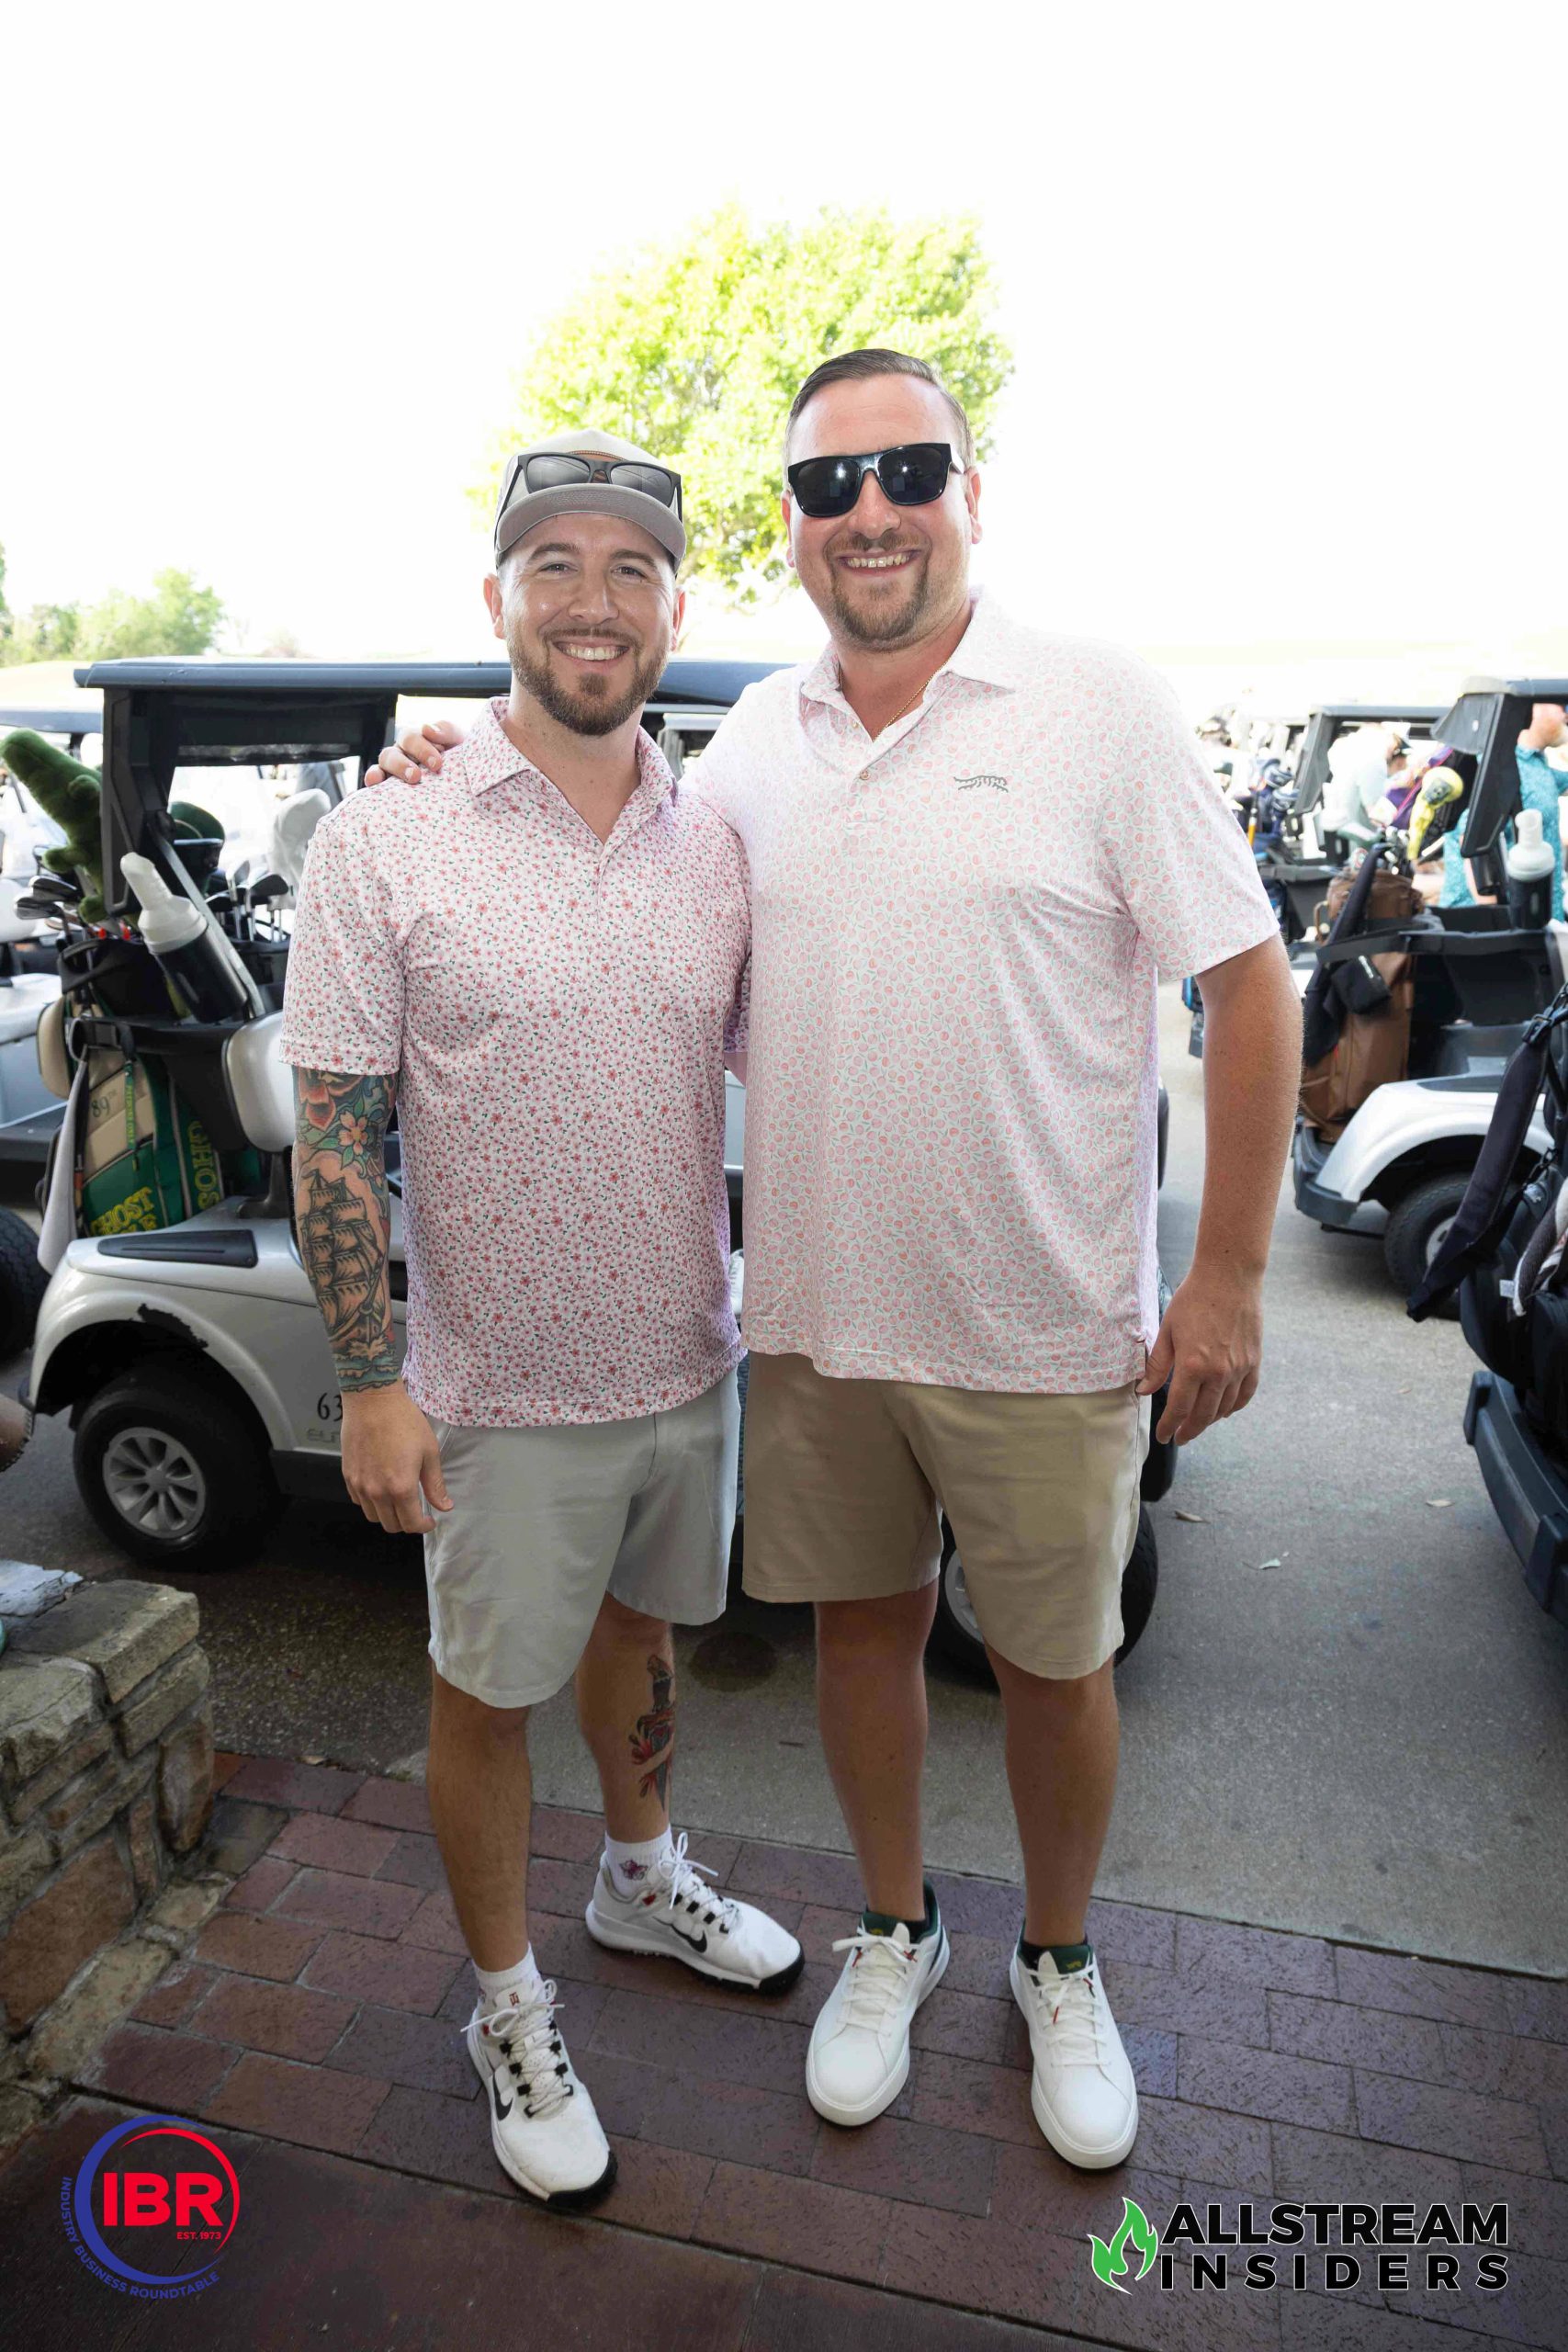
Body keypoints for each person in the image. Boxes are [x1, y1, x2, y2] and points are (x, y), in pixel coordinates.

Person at [372, 349, 1303, 2173]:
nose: (867, 512)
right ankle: (895, 1925)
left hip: (1045, 1325)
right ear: (791, 529)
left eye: (905, 472)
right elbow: (586, 808)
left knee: (1054, 1666)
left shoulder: (1101, 707)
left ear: (970, 492)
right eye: (823, 486)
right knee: (862, 1641)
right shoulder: (747, 750)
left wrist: (1229, 1279)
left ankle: (1054, 1956)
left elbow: (1250, 983)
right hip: (812, 1322)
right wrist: (451, 748)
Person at [279, 429, 801, 2211]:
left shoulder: (716, 839)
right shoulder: (386, 833)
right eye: (555, 564)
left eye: (631, 567)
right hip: (493, 1392)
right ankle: (507, 2003)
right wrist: (371, 1380)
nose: (594, 600)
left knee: (641, 1638)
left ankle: (638, 1875)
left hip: (685, 1360)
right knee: (485, 1695)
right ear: (495, 596)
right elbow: (335, 1130)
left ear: (674, 610)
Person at [1441, 703, 1568, 915]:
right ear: (1536, 708)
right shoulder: (1500, 765)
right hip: (1500, 923)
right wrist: (1496, 920)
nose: (1566, 714)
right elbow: (1471, 835)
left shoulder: (1535, 765)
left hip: (1537, 919)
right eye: (1561, 706)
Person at [1321, 723, 1408, 848]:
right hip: (1365, 841)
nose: (1395, 749)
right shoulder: (1373, 761)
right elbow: (1377, 815)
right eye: (1395, 742)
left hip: (1352, 836)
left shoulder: (1352, 758)